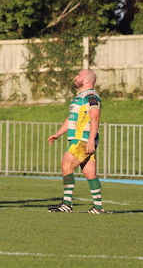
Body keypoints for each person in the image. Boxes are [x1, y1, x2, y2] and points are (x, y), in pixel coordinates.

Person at [46, 69, 104, 214]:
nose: (75, 77)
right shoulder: (81, 97)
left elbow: (95, 117)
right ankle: (98, 207)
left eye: (78, 75)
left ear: (86, 80)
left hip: (83, 139)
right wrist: (58, 133)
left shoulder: (91, 97)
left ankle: (66, 204)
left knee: (66, 164)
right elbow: (72, 118)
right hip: (82, 138)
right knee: (89, 173)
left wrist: (90, 139)